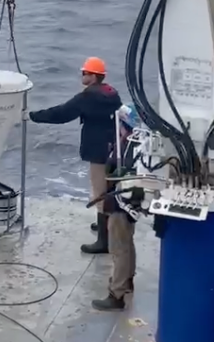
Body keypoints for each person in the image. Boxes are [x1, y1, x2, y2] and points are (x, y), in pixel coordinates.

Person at [27, 56, 123, 254]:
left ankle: (103, 243)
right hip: (114, 148)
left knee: (99, 193)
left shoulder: (88, 97)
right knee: (110, 187)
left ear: (94, 76)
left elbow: (62, 114)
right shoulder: (111, 93)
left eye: (85, 73)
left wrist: (33, 116)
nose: (82, 75)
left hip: (98, 151)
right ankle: (104, 225)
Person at [92, 104, 140, 310]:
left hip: (121, 204)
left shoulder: (127, 148)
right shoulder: (136, 143)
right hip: (129, 205)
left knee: (118, 248)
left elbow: (119, 174)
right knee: (127, 243)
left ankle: (117, 293)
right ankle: (128, 280)